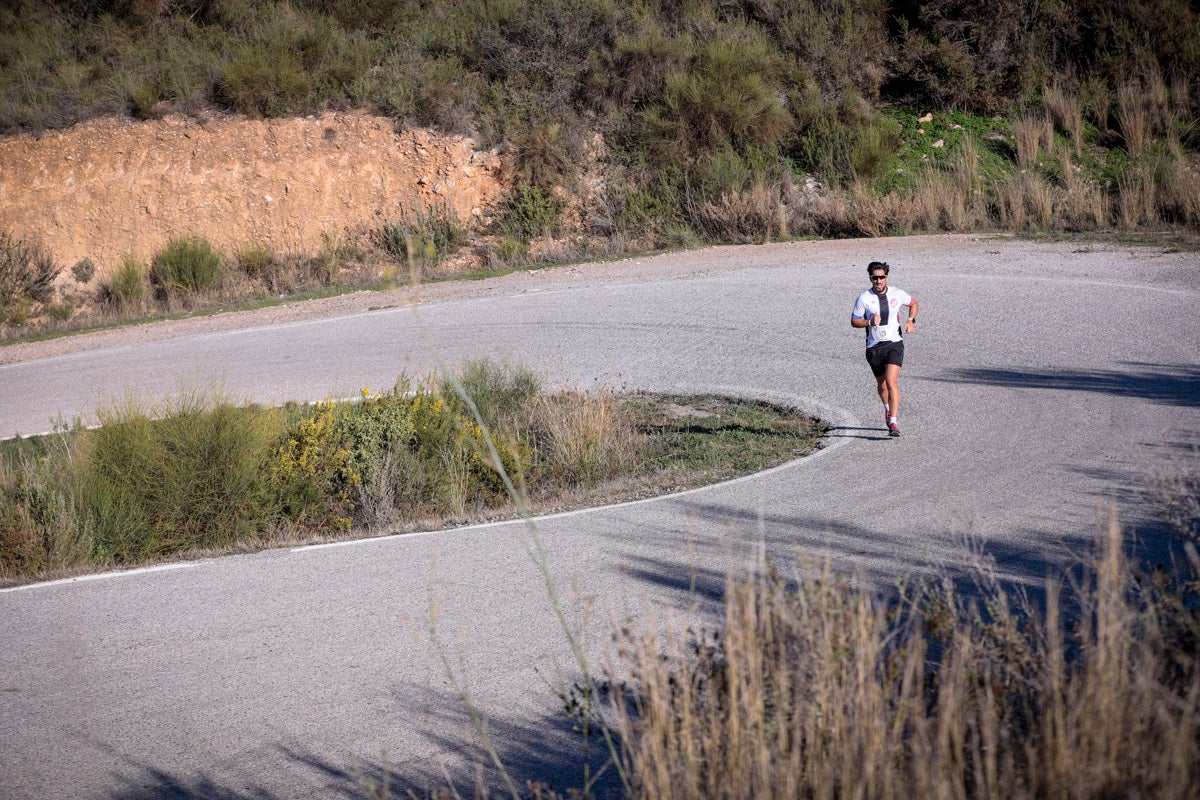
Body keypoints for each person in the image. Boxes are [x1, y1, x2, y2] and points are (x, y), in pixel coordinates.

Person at [851, 261, 918, 437]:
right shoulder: (864, 298)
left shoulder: (897, 293)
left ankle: (893, 423)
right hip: (874, 347)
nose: (879, 281)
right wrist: (870, 322)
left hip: (894, 343)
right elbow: (854, 321)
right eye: (875, 278)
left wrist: (911, 321)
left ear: (886, 277)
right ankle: (887, 409)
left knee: (891, 381)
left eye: (882, 277)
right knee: (881, 385)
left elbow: (913, 303)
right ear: (870, 279)